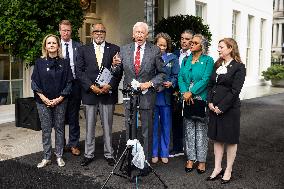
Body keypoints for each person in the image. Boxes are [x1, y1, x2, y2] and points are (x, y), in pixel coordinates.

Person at [112, 22, 166, 176]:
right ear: (133, 34)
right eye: (137, 32)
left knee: (146, 131)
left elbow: (162, 74)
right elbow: (117, 72)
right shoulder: (124, 49)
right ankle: (131, 160)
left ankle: (146, 164)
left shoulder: (155, 50)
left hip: (147, 96)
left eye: (143, 33)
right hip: (130, 96)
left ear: (147, 35)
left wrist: (149, 83)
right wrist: (114, 65)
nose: (140, 35)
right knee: (130, 130)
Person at [76, 23, 121, 167]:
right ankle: (89, 154)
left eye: (102, 31)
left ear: (105, 33)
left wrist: (110, 85)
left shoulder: (114, 49)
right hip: (90, 93)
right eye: (96, 31)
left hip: (107, 94)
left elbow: (118, 71)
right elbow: (79, 71)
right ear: (92, 33)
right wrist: (91, 87)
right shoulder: (83, 50)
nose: (99, 34)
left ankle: (109, 154)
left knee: (107, 126)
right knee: (89, 126)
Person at [206, 38, 246, 184]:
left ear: (230, 48)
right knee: (217, 138)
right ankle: (217, 168)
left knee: (230, 140)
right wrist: (210, 102)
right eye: (218, 47)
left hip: (229, 109)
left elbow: (235, 90)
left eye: (221, 47)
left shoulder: (239, 67)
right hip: (213, 108)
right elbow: (210, 85)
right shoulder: (218, 64)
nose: (219, 49)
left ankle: (228, 169)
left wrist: (221, 107)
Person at [31, 34, 73, 168]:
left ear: (58, 45)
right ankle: (47, 157)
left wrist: (59, 98)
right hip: (42, 102)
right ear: (45, 46)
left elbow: (69, 83)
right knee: (46, 129)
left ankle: (59, 156)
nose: (51, 45)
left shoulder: (65, 63)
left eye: (54, 43)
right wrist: (44, 99)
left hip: (60, 101)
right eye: (49, 43)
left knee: (60, 128)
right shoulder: (39, 62)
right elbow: (34, 83)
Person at [178, 34, 214, 174]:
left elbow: (205, 80)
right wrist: (184, 93)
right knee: (189, 130)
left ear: (202, 46)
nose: (191, 44)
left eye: (195, 42)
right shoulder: (186, 60)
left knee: (201, 131)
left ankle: (202, 161)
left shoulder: (208, 60)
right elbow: (181, 77)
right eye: (191, 42)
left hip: (200, 99)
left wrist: (191, 92)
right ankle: (190, 159)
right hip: (186, 98)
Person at [152, 32, 179, 164]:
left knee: (166, 126)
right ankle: (154, 153)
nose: (161, 47)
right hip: (153, 96)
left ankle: (164, 152)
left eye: (164, 45)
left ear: (167, 45)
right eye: (159, 44)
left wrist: (172, 83)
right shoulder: (151, 56)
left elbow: (176, 75)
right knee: (154, 126)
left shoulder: (173, 58)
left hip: (166, 96)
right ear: (155, 44)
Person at [59, 19, 82, 156]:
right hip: (59, 86)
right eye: (63, 30)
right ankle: (60, 145)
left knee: (73, 116)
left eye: (68, 30)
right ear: (60, 31)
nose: (66, 32)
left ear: (71, 31)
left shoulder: (79, 46)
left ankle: (73, 144)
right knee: (60, 116)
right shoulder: (55, 45)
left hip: (75, 85)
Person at [170, 30, 194, 158]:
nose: (184, 41)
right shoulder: (175, 54)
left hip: (189, 92)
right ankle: (178, 147)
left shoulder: (195, 56)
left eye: (187, 39)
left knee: (190, 122)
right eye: (182, 38)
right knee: (176, 120)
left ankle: (191, 150)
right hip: (175, 92)